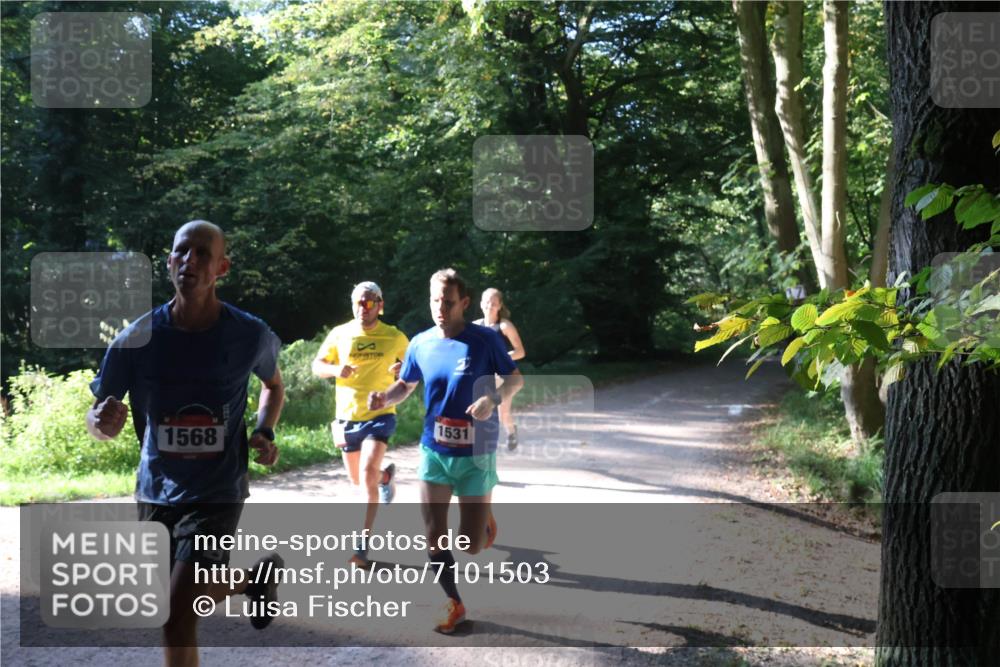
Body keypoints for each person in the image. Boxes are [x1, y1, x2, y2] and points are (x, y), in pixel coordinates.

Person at [86, 220, 286, 667]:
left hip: (217, 490)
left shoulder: (249, 333)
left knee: (176, 617)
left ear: (222, 267)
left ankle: (249, 581)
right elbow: (100, 417)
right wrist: (102, 421)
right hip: (156, 488)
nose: (188, 261)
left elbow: (274, 384)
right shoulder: (136, 337)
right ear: (169, 261)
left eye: (201, 253)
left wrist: (264, 430)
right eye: (181, 251)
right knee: (172, 600)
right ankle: (251, 580)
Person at [368, 268, 524, 634]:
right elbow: (405, 385)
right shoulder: (420, 343)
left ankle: (483, 520)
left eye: (448, 302)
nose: (441, 308)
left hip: (476, 453)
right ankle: (454, 602)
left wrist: (492, 397)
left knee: (470, 545)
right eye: (435, 300)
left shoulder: (485, 340)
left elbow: (516, 378)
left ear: (464, 303)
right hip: (434, 450)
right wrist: (383, 398)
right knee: (434, 535)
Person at [312, 281, 408, 568]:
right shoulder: (340, 334)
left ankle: (360, 547)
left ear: (380, 304)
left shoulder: (395, 337)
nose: (361, 308)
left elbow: (413, 369)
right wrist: (334, 369)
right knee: (359, 480)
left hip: (380, 416)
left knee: (365, 473)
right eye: (356, 303)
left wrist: (402, 369)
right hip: (347, 417)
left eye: (367, 303)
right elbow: (317, 366)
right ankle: (385, 479)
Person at [473, 287, 526, 450]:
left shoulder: (504, 326)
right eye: (487, 302)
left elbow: (520, 351)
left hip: (504, 377)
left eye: (494, 303)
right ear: (481, 304)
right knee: (477, 409)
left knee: (502, 414)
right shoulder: (475, 326)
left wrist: (500, 358)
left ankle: (511, 431)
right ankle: (477, 443)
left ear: (500, 305)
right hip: (483, 376)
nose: (490, 305)